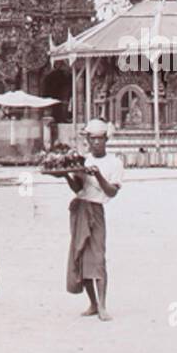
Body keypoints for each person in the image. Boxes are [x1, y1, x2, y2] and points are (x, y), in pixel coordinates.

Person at [57, 118, 123, 321]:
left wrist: (98, 175)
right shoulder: (83, 159)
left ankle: (103, 306)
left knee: (98, 258)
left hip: (96, 210)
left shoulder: (115, 163)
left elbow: (111, 192)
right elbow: (78, 188)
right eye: (91, 139)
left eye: (99, 139)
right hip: (80, 208)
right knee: (81, 256)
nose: (95, 143)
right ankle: (93, 303)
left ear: (106, 139)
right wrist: (67, 175)